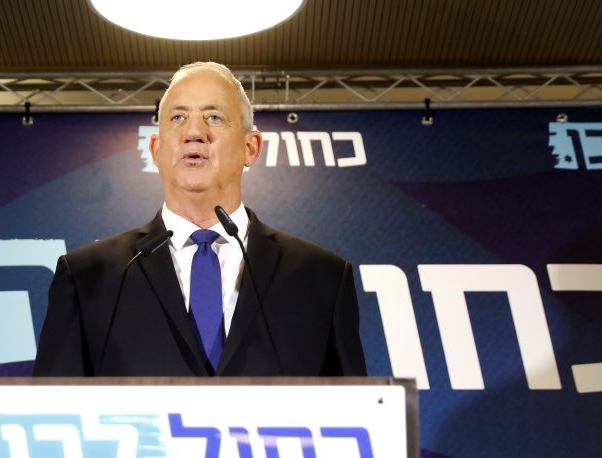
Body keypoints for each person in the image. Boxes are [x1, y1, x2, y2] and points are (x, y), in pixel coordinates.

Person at [32, 62, 366, 378]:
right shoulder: (89, 277)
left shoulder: (322, 277)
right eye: (177, 117)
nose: (194, 132)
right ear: (156, 149)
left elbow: (360, 418)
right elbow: (47, 417)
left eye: (215, 117)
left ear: (251, 147)